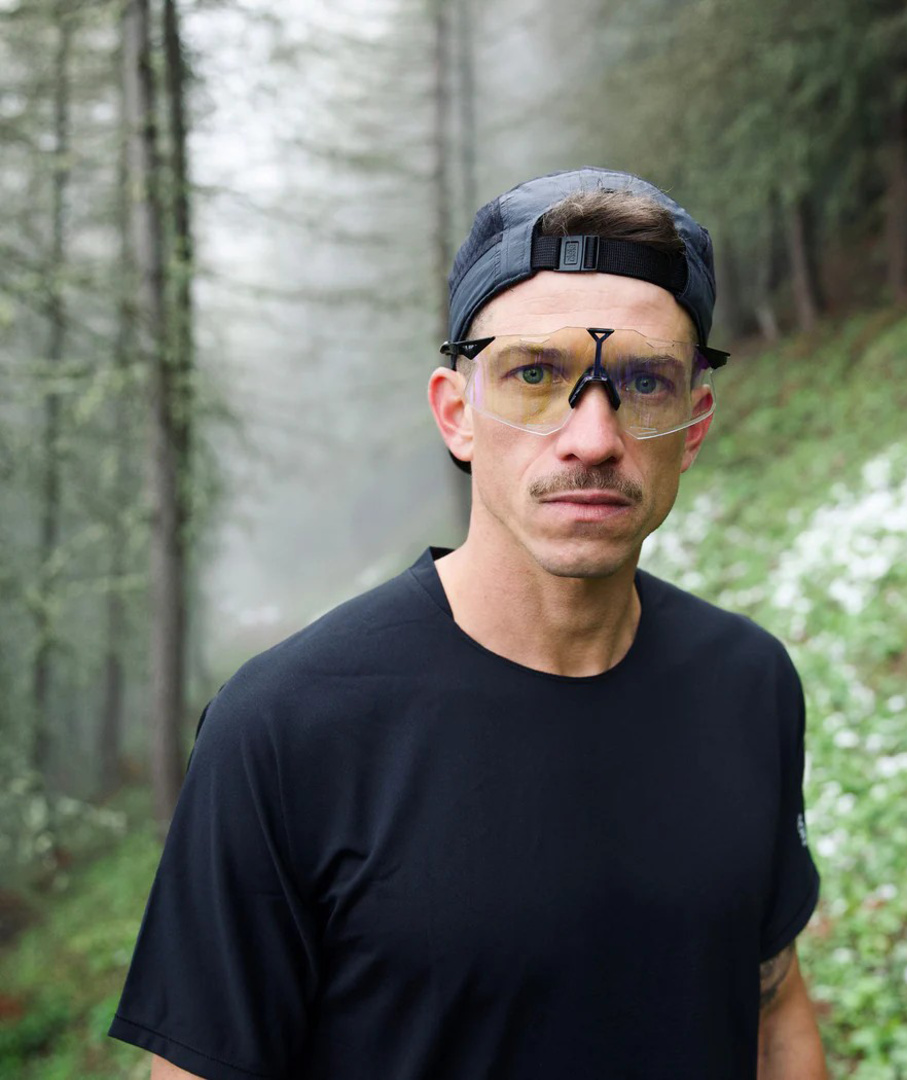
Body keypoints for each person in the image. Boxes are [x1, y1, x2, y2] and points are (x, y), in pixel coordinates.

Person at [109, 167, 826, 1080]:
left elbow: (774, 1008)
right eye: (535, 375)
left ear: (692, 423)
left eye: (645, 381)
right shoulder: (286, 730)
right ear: (458, 415)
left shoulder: (748, 685)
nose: (592, 437)